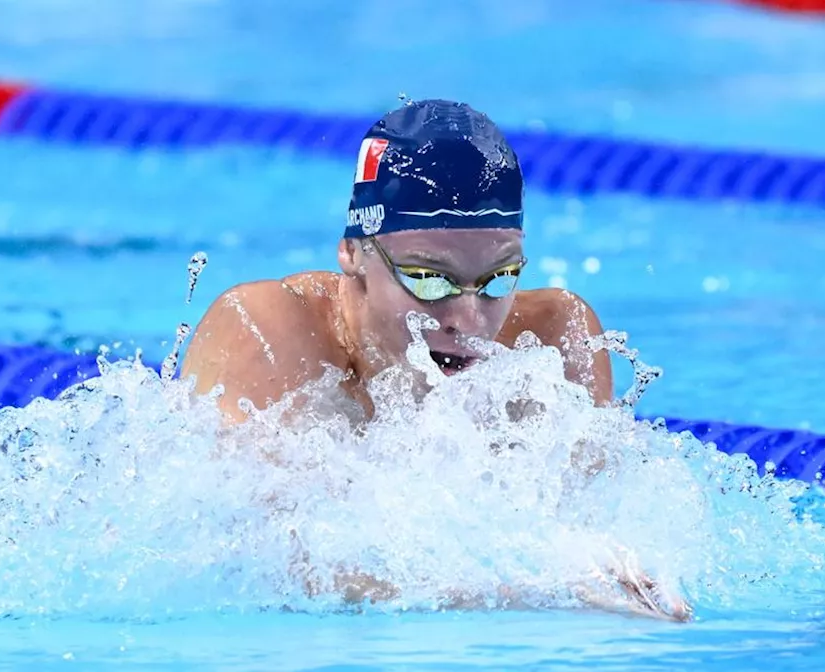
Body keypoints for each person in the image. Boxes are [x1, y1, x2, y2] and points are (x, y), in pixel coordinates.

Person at [180, 99, 690, 622]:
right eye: (428, 279)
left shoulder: (553, 342)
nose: (467, 320)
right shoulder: (270, 329)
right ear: (353, 252)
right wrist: (541, 582)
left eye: (499, 279)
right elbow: (287, 560)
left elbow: (590, 520)